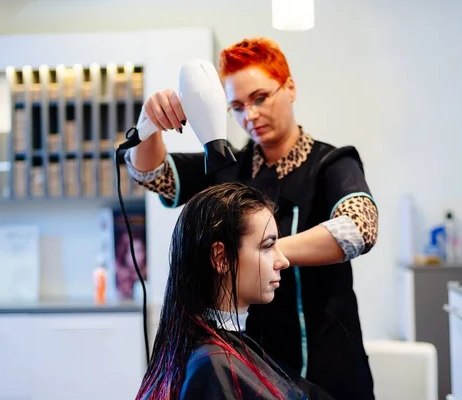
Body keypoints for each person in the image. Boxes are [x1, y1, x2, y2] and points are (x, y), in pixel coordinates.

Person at [126, 37, 379, 399]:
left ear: (289, 88)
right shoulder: (230, 167)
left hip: (329, 367)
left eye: (260, 98)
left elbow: (360, 227)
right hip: (254, 370)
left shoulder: (332, 164)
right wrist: (149, 122)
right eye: (237, 107)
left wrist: (260, 250)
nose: (250, 116)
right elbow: (152, 176)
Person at [135, 182, 333, 399]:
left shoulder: (223, 352)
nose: (283, 260)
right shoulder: (212, 365)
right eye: (267, 246)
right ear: (221, 258)